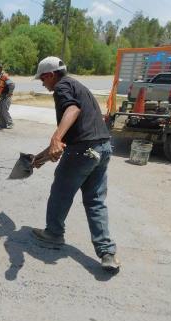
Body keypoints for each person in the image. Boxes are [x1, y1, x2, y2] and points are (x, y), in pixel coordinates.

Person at [31, 56, 120, 272]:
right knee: (95, 201)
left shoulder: (62, 87)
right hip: (103, 148)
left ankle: (53, 233)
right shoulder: (78, 86)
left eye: (43, 79)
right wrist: (39, 159)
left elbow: (73, 111)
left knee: (61, 192)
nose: (43, 84)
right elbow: (72, 134)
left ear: (51, 74)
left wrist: (55, 139)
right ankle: (107, 253)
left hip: (83, 150)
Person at [0, 63, 14, 129]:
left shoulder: (4, 76)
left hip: (6, 96)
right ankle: (2, 125)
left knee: (4, 110)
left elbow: (12, 85)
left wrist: (10, 93)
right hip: (2, 96)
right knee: (1, 110)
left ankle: (10, 123)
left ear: (0, 69)